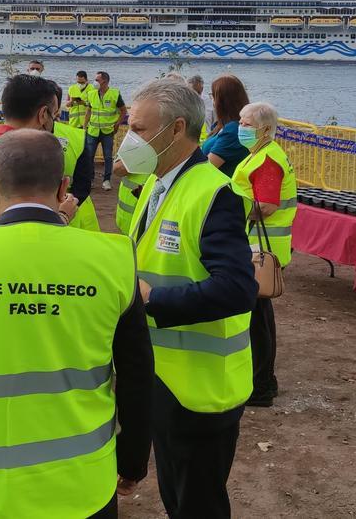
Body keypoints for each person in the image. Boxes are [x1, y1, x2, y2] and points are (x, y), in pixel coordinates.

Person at [0, 129, 153, 518]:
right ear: (63, 187)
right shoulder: (114, 260)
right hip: (83, 486)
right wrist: (133, 461)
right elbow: (137, 378)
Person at [121, 79, 257, 518]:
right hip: (164, 379)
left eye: (139, 129)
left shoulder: (213, 191)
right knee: (176, 498)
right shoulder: (159, 185)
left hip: (201, 390)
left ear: (176, 129)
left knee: (198, 504)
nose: (129, 139)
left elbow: (238, 288)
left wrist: (153, 299)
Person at [229, 102, 297, 408]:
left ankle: (261, 386)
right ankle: (264, 381)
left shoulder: (267, 160)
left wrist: (228, 210)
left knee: (257, 321)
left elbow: (266, 206)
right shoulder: (260, 154)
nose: (240, 128)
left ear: (265, 129)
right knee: (260, 317)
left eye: (245, 123)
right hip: (258, 246)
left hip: (260, 250)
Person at [0, 74, 69, 231]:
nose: (54, 122)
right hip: (11, 247)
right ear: (43, 114)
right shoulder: (34, 156)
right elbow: (34, 226)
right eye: (55, 115)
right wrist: (64, 214)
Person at [50, 82, 98, 231]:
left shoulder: (76, 138)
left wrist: (71, 203)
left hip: (76, 215)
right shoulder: (13, 139)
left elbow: (85, 181)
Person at [84, 70, 127, 190]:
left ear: (105, 81)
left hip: (107, 131)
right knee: (89, 156)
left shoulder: (114, 94)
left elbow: (123, 110)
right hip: (92, 131)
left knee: (108, 157)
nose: (95, 82)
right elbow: (88, 111)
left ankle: (106, 180)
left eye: (97, 80)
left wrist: (118, 124)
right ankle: (90, 179)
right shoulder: (91, 94)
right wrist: (84, 126)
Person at [202, 74, 251, 177]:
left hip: (221, 189)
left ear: (222, 101)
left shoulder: (233, 131)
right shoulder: (222, 126)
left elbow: (207, 168)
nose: (212, 102)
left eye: (213, 96)